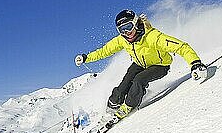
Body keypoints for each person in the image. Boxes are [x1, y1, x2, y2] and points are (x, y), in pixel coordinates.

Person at [75, 9, 207, 119]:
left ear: (136, 23)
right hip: (139, 64)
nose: (126, 33)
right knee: (125, 83)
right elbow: (104, 51)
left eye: (128, 27)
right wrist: (86, 58)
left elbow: (181, 47)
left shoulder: (152, 37)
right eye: (122, 30)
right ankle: (113, 104)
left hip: (160, 65)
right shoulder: (122, 40)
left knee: (139, 80)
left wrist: (195, 63)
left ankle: (128, 106)